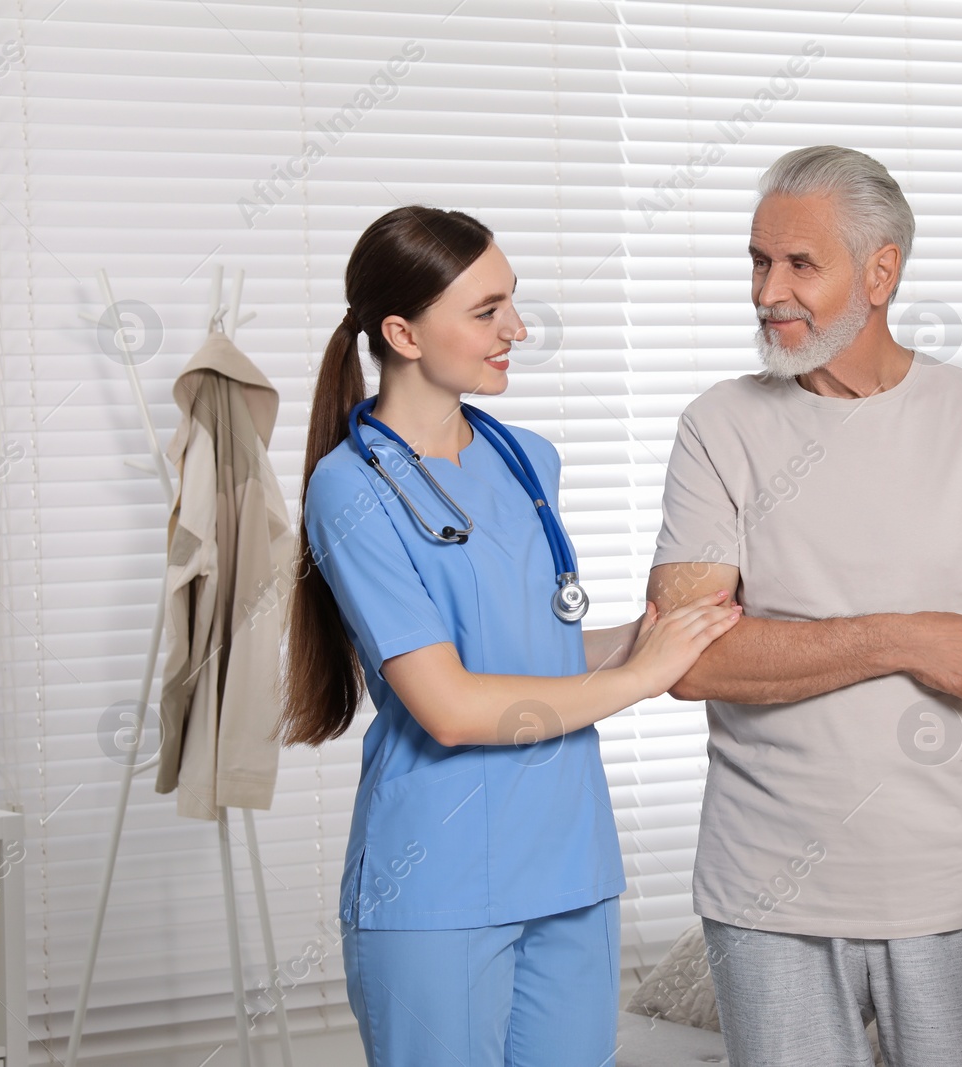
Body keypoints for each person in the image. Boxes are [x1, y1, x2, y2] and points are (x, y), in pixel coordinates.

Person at [646, 146, 962, 1067]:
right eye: (757, 260)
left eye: (798, 264)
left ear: (882, 270)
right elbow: (687, 657)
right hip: (764, 895)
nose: (766, 290)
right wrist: (900, 638)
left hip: (960, 884)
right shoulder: (719, 426)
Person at [278, 204, 742, 1067]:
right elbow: (448, 704)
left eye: (512, 304)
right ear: (402, 334)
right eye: (487, 311)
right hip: (440, 877)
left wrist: (659, 634)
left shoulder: (526, 458)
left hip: (571, 862)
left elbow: (542, 651)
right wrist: (642, 679)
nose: (517, 329)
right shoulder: (350, 488)